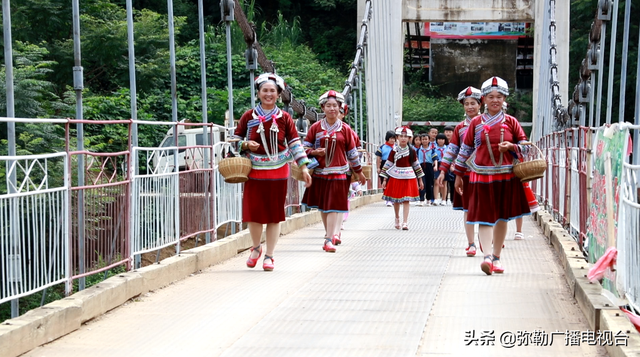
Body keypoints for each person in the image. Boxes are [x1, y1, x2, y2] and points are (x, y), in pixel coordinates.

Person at [233, 72, 312, 271]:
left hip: (278, 170)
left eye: (273, 91)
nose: (269, 94)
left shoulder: (285, 117)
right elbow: (234, 142)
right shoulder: (248, 116)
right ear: (258, 93)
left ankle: (269, 255)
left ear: (278, 94)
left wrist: (304, 168)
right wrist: (245, 144)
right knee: (253, 214)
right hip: (254, 170)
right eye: (265, 90)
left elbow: (295, 143)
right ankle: (256, 247)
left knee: (274, 215)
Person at [453, 76, 531, 275]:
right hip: (481, 174)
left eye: (499, 97)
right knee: (484, 216)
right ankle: (487, 256)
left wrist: (512, 146)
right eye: (490, 97)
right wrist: (459, 174)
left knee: (502, 217)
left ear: (504, 99)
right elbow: (465, 149)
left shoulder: (511, 122)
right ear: (484, 100)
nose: (495, 100)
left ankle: (496, 257)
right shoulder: (476, 123)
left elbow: (526, 148)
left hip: (506, 175)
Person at [302, 90, 366, 253]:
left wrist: (359, 171)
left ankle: (329, 238)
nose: (332, 109)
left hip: (340, 172)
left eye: (335, 106)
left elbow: (352, 152)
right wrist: (315, 152)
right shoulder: (315, 127)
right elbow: (304, 147)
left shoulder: (345, 129)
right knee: (324, 207)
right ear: (323, 108)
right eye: (328, 106)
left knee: (333, 206)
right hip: (320, 172)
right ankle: (329, 233)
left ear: (340, 108)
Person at [437, 86, 482, 257]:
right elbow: (452, 150)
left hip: (487, 171)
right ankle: (471, 243)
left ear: (480, 104)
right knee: (468, 209)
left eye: (473, 103)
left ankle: (487, 240)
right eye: (466, 104)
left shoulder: (487, 124)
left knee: (487, 207)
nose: (470, 107)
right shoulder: (460, 128)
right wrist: (443, 170)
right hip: (466, 172)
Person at [379, 126, 425, 230]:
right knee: (396, 200)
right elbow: (388, 163)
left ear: (409, 138)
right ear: (397, 138)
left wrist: (420, 179)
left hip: (409, 176)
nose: (403, 138)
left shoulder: (412, 151)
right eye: (401, 136)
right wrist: (385, 179)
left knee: (406, 200)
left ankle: (405, 222)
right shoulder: (394, 150)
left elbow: (416, 165)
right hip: (396, 176)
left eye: (406, 136)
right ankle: (397, 217)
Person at [375, 130, 396, 206]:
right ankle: (387, 198)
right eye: (391, 138)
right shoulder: (382, 147)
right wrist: (378, 167)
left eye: (394, 138)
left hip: (393, 165)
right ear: (387, 138)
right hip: (384, 165)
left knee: (392, 182)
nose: (392, 140)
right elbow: (378, 158)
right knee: (384, 182)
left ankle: (392, 198)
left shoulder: (396, 147)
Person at [417, 133, 437, 206]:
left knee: (429, 184)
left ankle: (429, 199)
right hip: (421, 167)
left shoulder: (432, 150)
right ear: (421, 141)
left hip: (429, 167)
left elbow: (435, 159)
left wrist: (435, 166)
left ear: (429, 140)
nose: (424, 141)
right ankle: (421, 199)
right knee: (422, 183)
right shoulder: (418, 150)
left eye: (426, 139)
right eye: (423, 139)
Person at [433, 133, 448, 205]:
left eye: (442, 139)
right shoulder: (434, 148)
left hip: (445, 164)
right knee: (436, 182)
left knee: (444, 182)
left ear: (445, 140)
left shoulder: (448, 148)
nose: (440, 141)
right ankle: (436, 199)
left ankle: (444, 199)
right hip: (437, 164)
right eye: (439, 139)